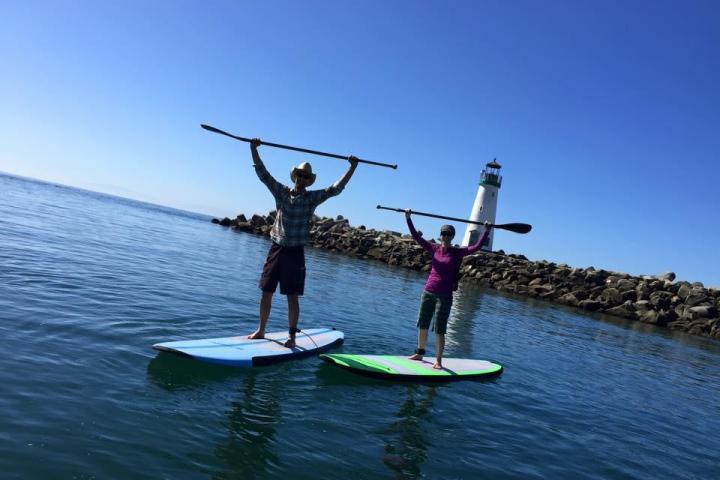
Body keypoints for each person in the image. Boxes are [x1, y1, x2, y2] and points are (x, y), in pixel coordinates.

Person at [248, 138, 359, 348]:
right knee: (266, 291)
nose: (301, 178)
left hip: (295, 252)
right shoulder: (281, 192)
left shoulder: (312, 198)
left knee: (292, 296)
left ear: (308, 180)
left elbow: (336, 189)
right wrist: (253, 148)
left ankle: (291, 336)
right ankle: (261, 330)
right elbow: (262, 173)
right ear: (294, 176)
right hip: (276, 248)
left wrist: (351, 167)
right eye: (299, 174)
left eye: (305, 176)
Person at [405, 209, 491, 369]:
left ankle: (438, 360)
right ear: (440, 235)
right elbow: (416, 237)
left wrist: (486, 231)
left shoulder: (457, 252)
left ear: (452, 237)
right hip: (428, 292)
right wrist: (408, 218)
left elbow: (476, 247)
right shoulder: (433, 248)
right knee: (422, 324)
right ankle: (419, 353)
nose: (445, 236)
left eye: (448, 234)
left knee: (439, 328)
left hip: (444, 296)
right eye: (443, 233)